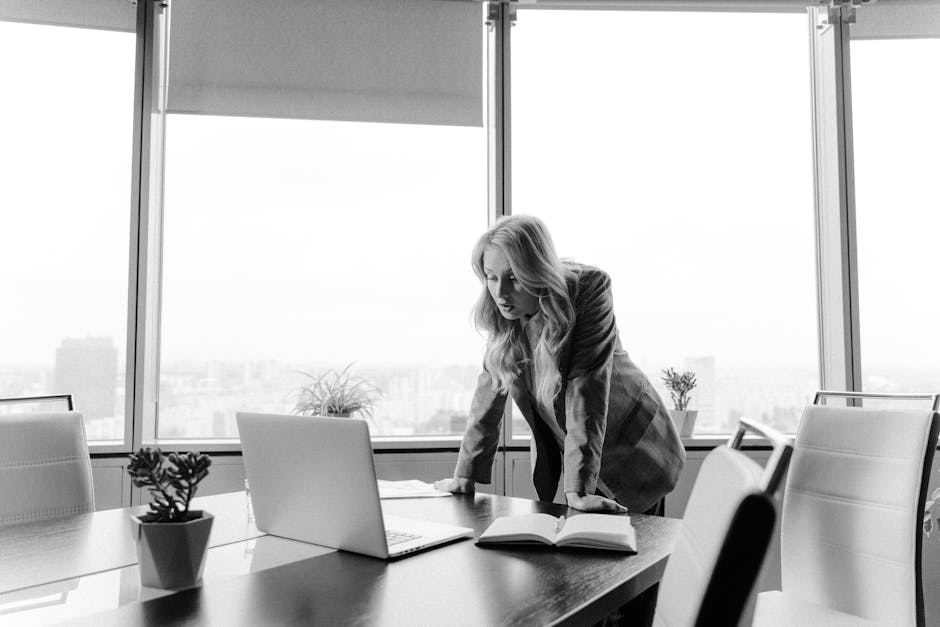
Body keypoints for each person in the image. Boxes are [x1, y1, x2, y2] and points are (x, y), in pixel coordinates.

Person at [435, 214, 685, 517]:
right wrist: (465, 476)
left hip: (633, 447)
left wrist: (578, 491)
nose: (500, 292)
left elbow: (587, 387)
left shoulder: (587, 290)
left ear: (536, 270)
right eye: (491, 276)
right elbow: (490, 387)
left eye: (514, 277)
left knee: (632, 552)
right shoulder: (505, 313)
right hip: (577, 453)